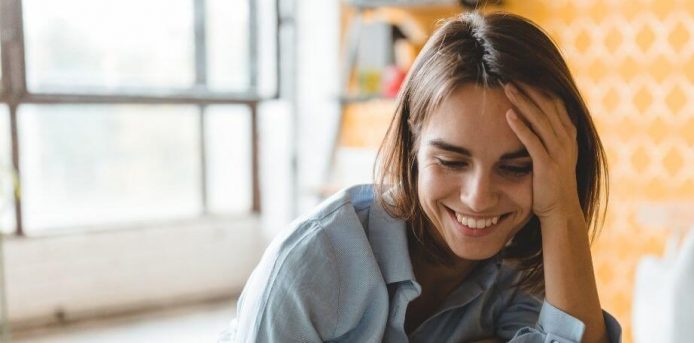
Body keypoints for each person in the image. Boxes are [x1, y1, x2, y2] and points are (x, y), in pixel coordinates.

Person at [223, 11, 620, 343]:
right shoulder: (312, 267)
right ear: (413, 141)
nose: (479, 198)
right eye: (451, 161)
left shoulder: (520, 267)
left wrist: (561, 208)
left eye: (515, 167)